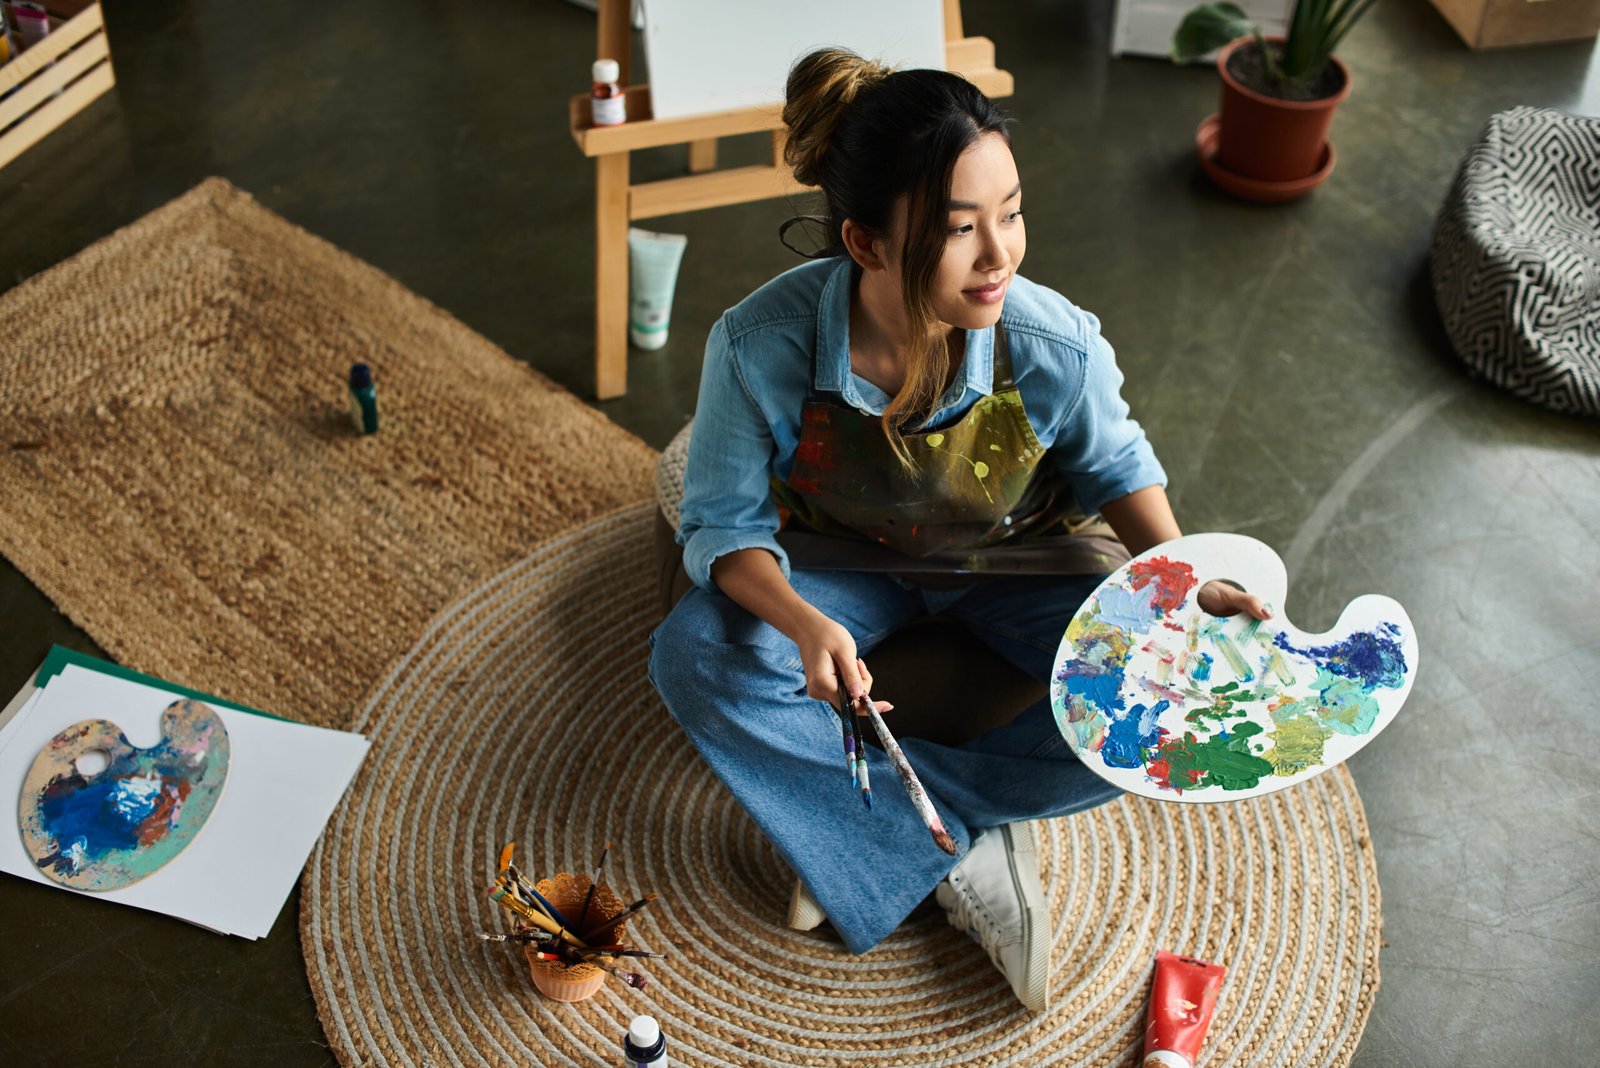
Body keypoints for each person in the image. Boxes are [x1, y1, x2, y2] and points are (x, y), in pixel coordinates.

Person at [647, 48, 1268, 1013]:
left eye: (1011, 213)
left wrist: (1184, 585)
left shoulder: (1049, 339)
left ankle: (908, 824)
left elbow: (1118, 469)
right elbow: (721, 525)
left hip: (1023, 559)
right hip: (844, 563)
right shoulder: (758, 344)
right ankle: (934, 837)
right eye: (959, 230)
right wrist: (806, 625)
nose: (1001, 255)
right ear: (866, 244)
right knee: (693, 655)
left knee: (1182, 698)